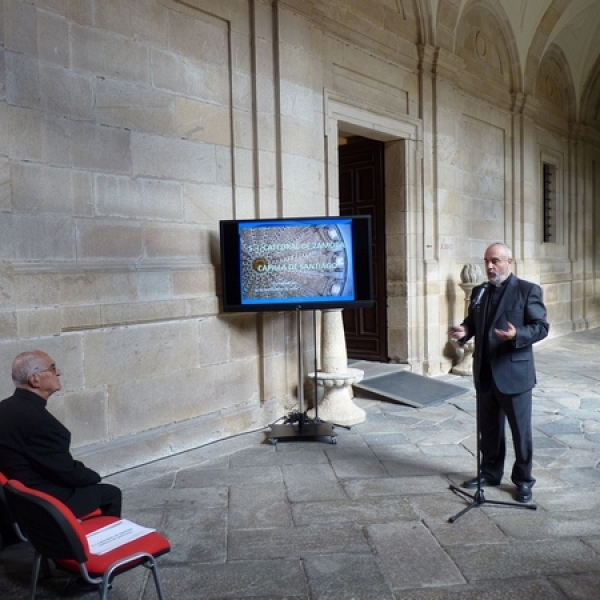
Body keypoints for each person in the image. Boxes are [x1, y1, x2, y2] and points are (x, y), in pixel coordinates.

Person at [450, 243, 549, 503]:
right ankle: (491, 472)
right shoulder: (480, 291)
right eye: (487, 262)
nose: (490, 267)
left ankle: (523, 481)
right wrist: (464, 331)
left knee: (520, 432)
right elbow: (473, 322)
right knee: (489, 429)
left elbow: (541, 327)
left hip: (514, 373)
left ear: (509, 262)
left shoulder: (527, 290)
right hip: (485, 372)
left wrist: (518, 335)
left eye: (495, 261)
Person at [0, 350, 121, 518]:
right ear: (35, 379)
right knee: (111, 493)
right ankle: (103, 541)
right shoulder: (42, 423)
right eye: (52, 368)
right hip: (42, 501)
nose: (58, 372)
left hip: (19, 496)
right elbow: (64, 472)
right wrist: (93, 476)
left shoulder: (5, 408)